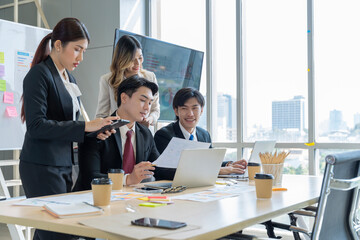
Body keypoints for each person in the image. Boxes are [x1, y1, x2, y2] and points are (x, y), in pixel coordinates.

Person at [19, 18, 118, 240]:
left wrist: (93, 132)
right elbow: (36, 126)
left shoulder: (68, 77)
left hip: (64, 164)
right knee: (58, 232)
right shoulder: (39, 75)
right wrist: (84, 126)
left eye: (84, 51)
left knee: (52, 231)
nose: (81, 57)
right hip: (42, 165)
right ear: (58, 45)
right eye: (77, 50)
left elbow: (67, 124)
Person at [74, 75, 160, 191]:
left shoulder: (145, 133)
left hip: (131, 200)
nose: (147, 108)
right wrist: (128, 179)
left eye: (150, 103)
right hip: (93, 199)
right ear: (124, 98)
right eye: (142, 100)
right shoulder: (97, 130)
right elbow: (90, 177)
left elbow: (159, 169)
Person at [154, 87, 247, 180]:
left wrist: (229, 165)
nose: (190, 114)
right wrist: (216, 170)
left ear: (201, 110)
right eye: (184, 108)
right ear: (176, 111)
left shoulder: (204, 135)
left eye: (194, 108)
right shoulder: (164, 135)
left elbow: (209, 162)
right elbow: (162, 171)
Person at [95, 35, 160, 127]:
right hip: (118, 134)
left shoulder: (150, 77)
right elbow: (101, 115)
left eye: (140, 58)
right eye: (132, 60)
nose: (138, 63)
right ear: (122, 59)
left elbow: (155, 110)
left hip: (143, 134)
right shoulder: (107, 80)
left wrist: (149, 119)